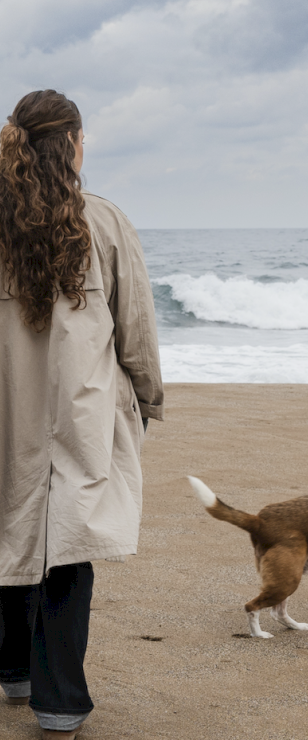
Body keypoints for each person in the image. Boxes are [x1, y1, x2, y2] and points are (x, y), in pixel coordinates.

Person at [0, 90, 164, 739]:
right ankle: (60, 700)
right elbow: (138, 326)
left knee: (14, 525)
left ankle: (11, 671)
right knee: (67, 542)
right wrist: (148, 396)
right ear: (70, 143)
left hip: (11, 406)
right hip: (84, 409)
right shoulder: (106, 221)